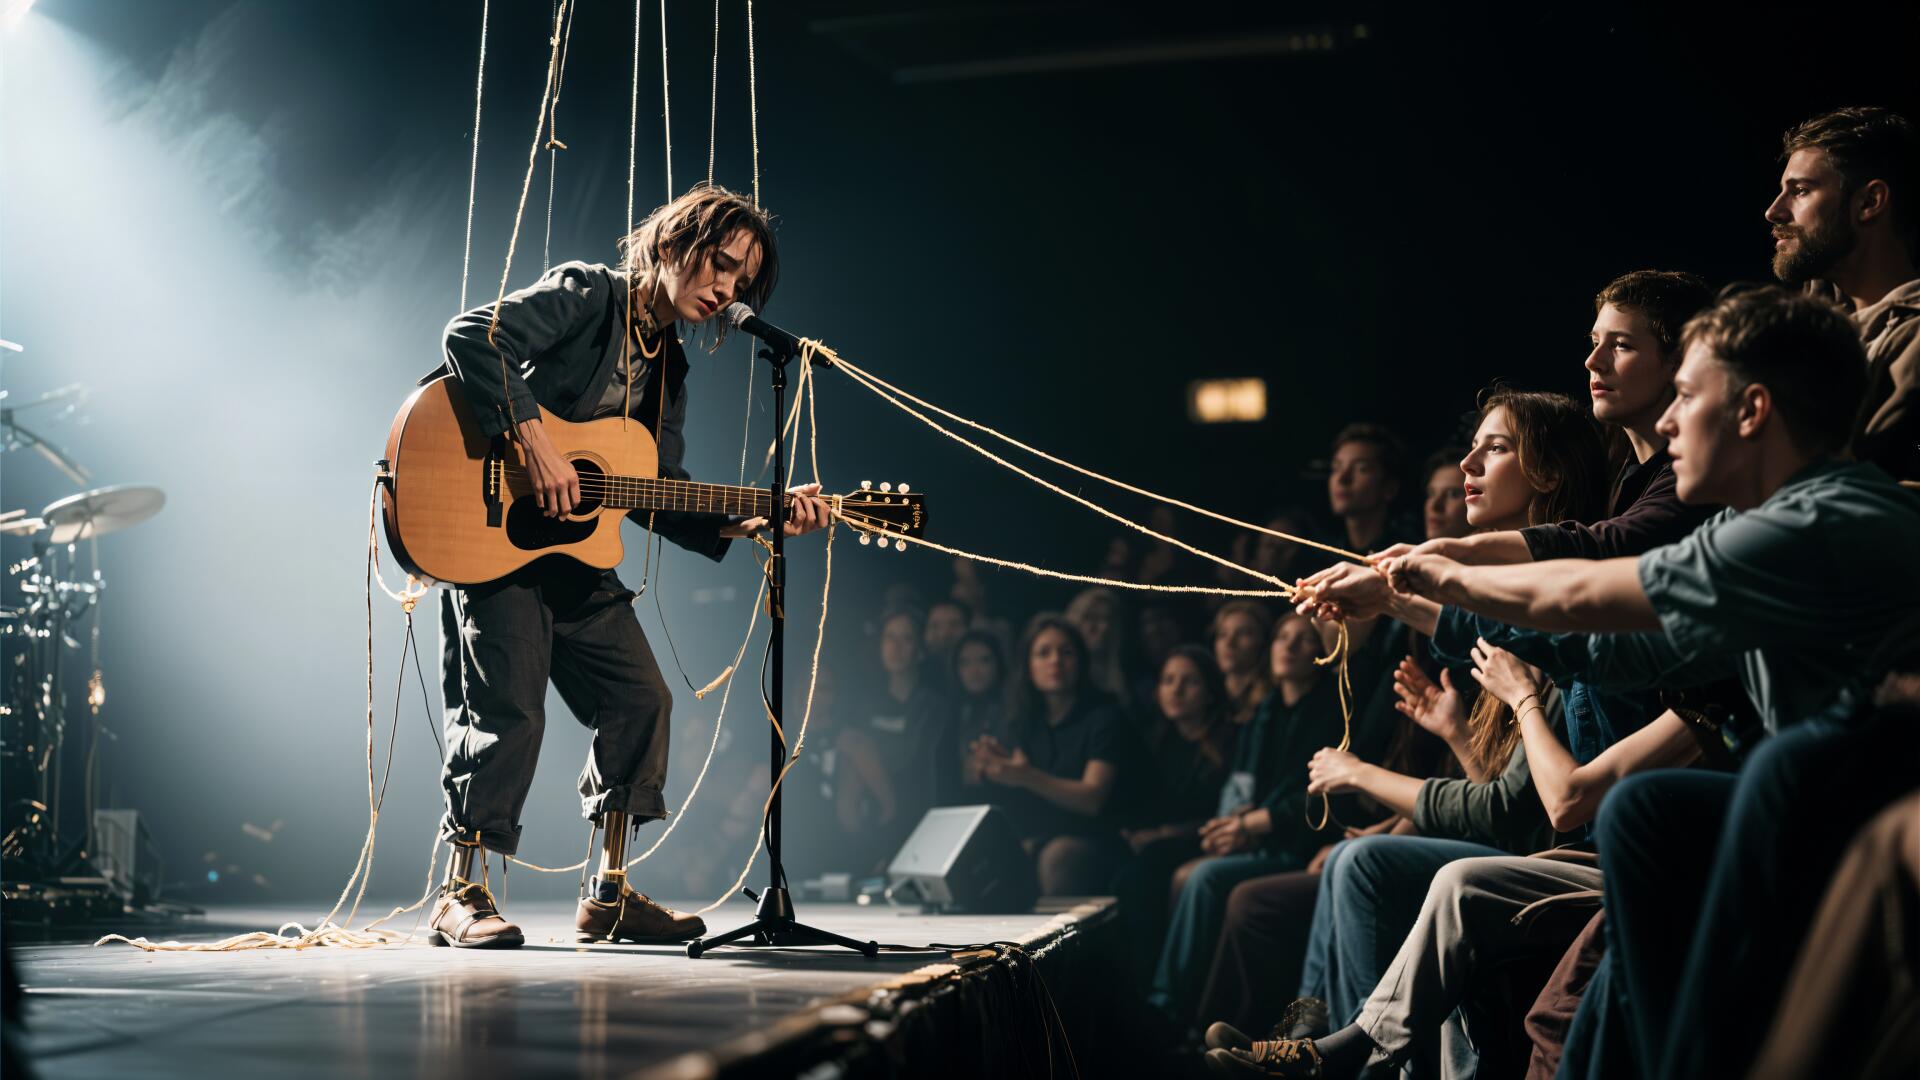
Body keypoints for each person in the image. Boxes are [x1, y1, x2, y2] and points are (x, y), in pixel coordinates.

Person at [1377, 287, 1920, 1079]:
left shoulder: (1810, 524)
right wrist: (1427, 602)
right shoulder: (1756, 524)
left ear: (1753, 411)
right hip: (1821, 796)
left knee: (1696, 796)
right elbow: (1613, 653)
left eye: (1688, 397)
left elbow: (1581, 598)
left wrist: (1440, 578)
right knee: (1650, 816)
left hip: (1865, 797)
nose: (1667, 423)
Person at [427, 184, 831, 948]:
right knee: (508, 709)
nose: (725, 291)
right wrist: (534, 444)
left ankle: (607, 893)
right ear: (676, 243)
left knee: (642, 700)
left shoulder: (669, 366)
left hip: (574, 558)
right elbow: (474, 335)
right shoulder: (591, 295)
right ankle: (460, 892)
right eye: (719, 266)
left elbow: (653, 488)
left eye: (741, 284)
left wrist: (754, 518)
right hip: (497, 535)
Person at [1148, 614, 1348, 1022]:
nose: (1289, 646)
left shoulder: (1330, 711)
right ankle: (1182, 1007)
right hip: (1260, 837)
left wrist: (1251, 824)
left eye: (1303, 639)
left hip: (1301, 845)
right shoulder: (1267, 711)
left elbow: (1314, 799)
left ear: (1321, 653)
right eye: (1282, 638)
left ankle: (1170, 1005)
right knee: (1184, 871)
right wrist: (1232, 824)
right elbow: (1245, 790)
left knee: (1201, 878)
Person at [1767, 106, 1920, 480]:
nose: (1774, 211)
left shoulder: (1912, 345)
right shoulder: (1797, 339)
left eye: (1800, 191)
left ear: (1869, 203)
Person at [972, 615, 1131, 895]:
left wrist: (1027, 776)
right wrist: (994, 767)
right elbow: (1011, 791)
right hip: (1040, 833)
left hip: (1096, 838)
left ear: (1081, 661)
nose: (1055, 661)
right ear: (1028, 665)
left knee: (1058, 857)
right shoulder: (1022, 720)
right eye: (1043, 653)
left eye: (1066, 652)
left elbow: (1092, 798)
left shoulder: (1103, 716)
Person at [833, 607, 946, 874]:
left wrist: (871, 758)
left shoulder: (934, 705)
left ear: (920, 648)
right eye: (889, 637)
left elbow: (919, 760)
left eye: (906, 638)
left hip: (917, 808)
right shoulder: (864, 704)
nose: (896, 646)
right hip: (871, 813)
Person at [932, 629, 1009, 805]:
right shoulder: (947, 713)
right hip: (955, 806)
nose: (975, 671)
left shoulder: (1015, 710)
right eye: (965, 663)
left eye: (984, 660)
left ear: (998, 663)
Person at [1321, 423, 1413, 555]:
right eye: (1337, 468)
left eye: (1361, 469)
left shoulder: (1407, 554)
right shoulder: (1325, 554)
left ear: (1390, 488)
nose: (1342, 479)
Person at [1212, 601, 1276, 729]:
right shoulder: (1207, 696)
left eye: (1243, 633)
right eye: (1223, 634)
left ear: (1262, 641)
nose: (1229, 643)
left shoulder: (1272, 701)